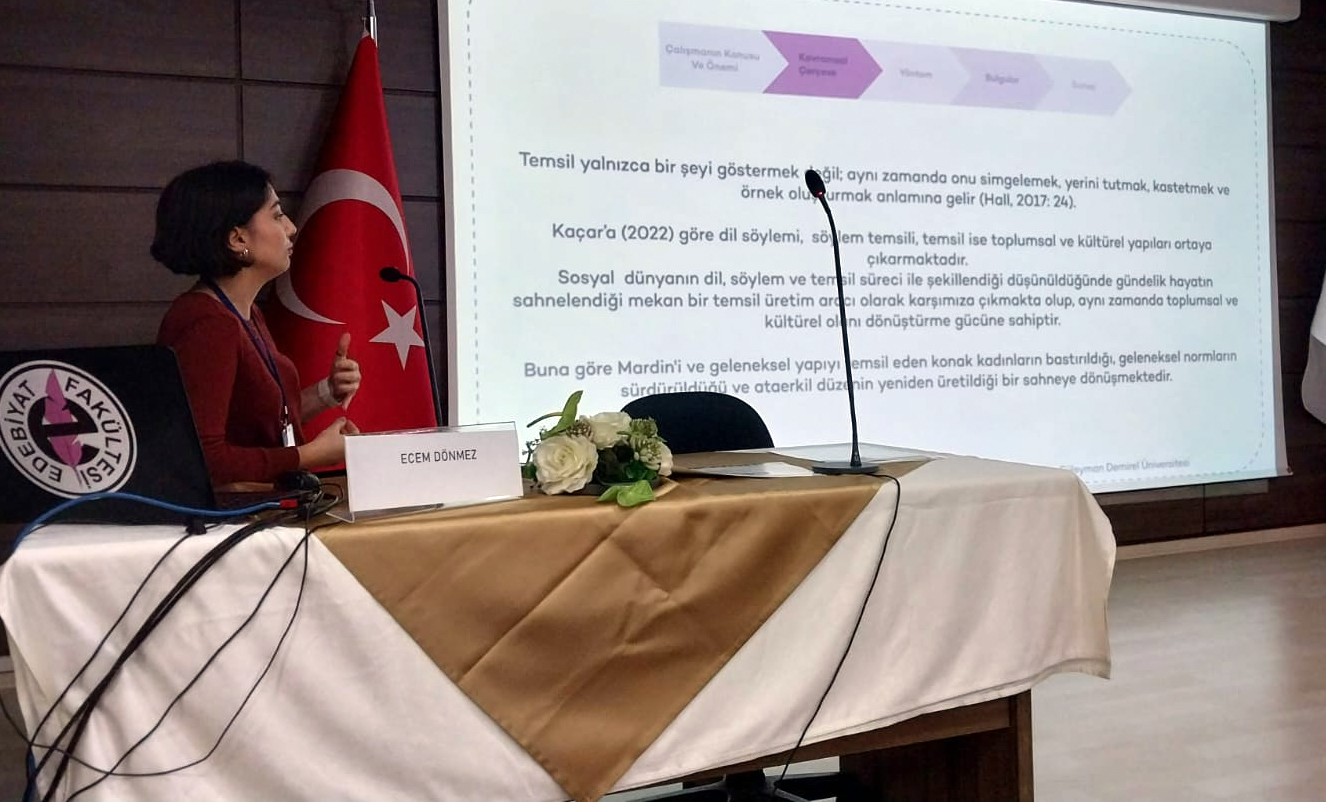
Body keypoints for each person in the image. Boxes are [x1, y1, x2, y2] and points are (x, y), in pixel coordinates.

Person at [152, 160, 361, 488]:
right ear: (237, 239)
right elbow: (203, 460)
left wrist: (327, 393)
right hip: (236, 516)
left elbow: (259, 422)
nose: (291, 228)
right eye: (277, 215)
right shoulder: (209, 323)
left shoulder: (244, 312)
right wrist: (309, 455)